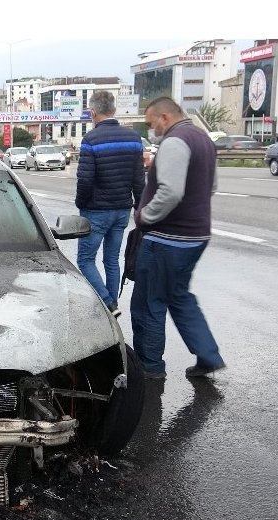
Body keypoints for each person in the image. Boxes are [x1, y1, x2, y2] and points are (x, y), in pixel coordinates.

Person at [130, 97, 225, 379]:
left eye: (151, 123)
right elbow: (212, 186)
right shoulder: (203, 139)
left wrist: (145, 216)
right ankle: (208, 355)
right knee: (179, 297)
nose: (152, 130)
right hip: (195, 236)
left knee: (149, 303)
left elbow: (170, 192)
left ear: (164, 117)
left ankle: (150, 367)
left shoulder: (174, 141)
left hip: (167, 240)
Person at [74, 90, 146, 318]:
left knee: (85, 260)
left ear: (92, 112)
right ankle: (112, 304)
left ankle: (107, 303)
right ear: (114, 110)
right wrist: (138, 206)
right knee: (111, 260)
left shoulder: (91, 141)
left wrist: (81, 204)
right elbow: (138, 178)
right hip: (122, 210)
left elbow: (85, 180)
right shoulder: (133, 139)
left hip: (96, 211)